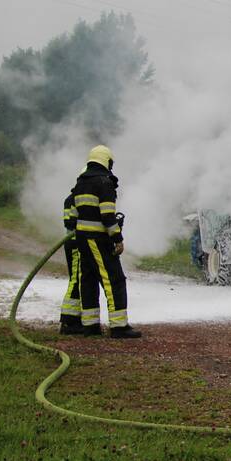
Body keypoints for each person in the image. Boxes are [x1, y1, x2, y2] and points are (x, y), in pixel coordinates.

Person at [72, 145, 141, 339]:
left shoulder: (80, 182)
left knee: (88, 280)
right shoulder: (104, 182)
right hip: (98, 239)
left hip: (82, 239)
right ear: (107, 161)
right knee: (114, 279)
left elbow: (76, 213)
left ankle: (90, 326)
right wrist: (117, 239)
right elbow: (107, 215)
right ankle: (119, 326)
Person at [58, 191, 83, 334]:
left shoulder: (73, 198)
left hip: (75, 243)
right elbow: (69, 222)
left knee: (79, 280)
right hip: (75, 244)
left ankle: (76, 319)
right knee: (76, 280)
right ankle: (68, 321)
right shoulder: (73, 199)